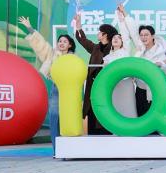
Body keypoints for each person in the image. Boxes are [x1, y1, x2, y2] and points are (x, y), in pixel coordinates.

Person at [18, 16, 75, 148]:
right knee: (54, 117)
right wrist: (29, 28)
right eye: (60, 41)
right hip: (56, 88)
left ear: (70, 45)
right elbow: (41, 44)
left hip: (70, 90)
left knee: (68, 118)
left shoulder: (73, 58)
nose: (61, 43)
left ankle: (68, 148)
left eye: (65, 41)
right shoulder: (52, 54)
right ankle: (56, 149)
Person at [73, 12, 119, 135]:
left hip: (106, 88)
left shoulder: (114, 49)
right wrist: (78, 25)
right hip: (92, 87)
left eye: (99, 32)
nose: (97, 34)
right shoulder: (95, 48)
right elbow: (82, 40)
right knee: (92, 113)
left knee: (105, 114)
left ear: (105, 35)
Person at [126, 17, 166, 117]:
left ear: (153, 36)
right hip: (140, 89)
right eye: (141, 35)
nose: (143, 37)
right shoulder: (139, 52)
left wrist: (161, 65)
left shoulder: (160, 52)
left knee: (154, 117)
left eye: (146, 35)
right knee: (141, 116)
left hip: (155, 90)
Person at [105, 5, 138, 119]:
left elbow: (125, 34)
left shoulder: (125, 51)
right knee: (115, 110)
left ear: (122, 42)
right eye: (114, 38)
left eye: (118, 38)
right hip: (114, 85)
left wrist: (121, 19)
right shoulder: (107, 58)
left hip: (126, 84)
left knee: (128, 109)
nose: (115, 39)